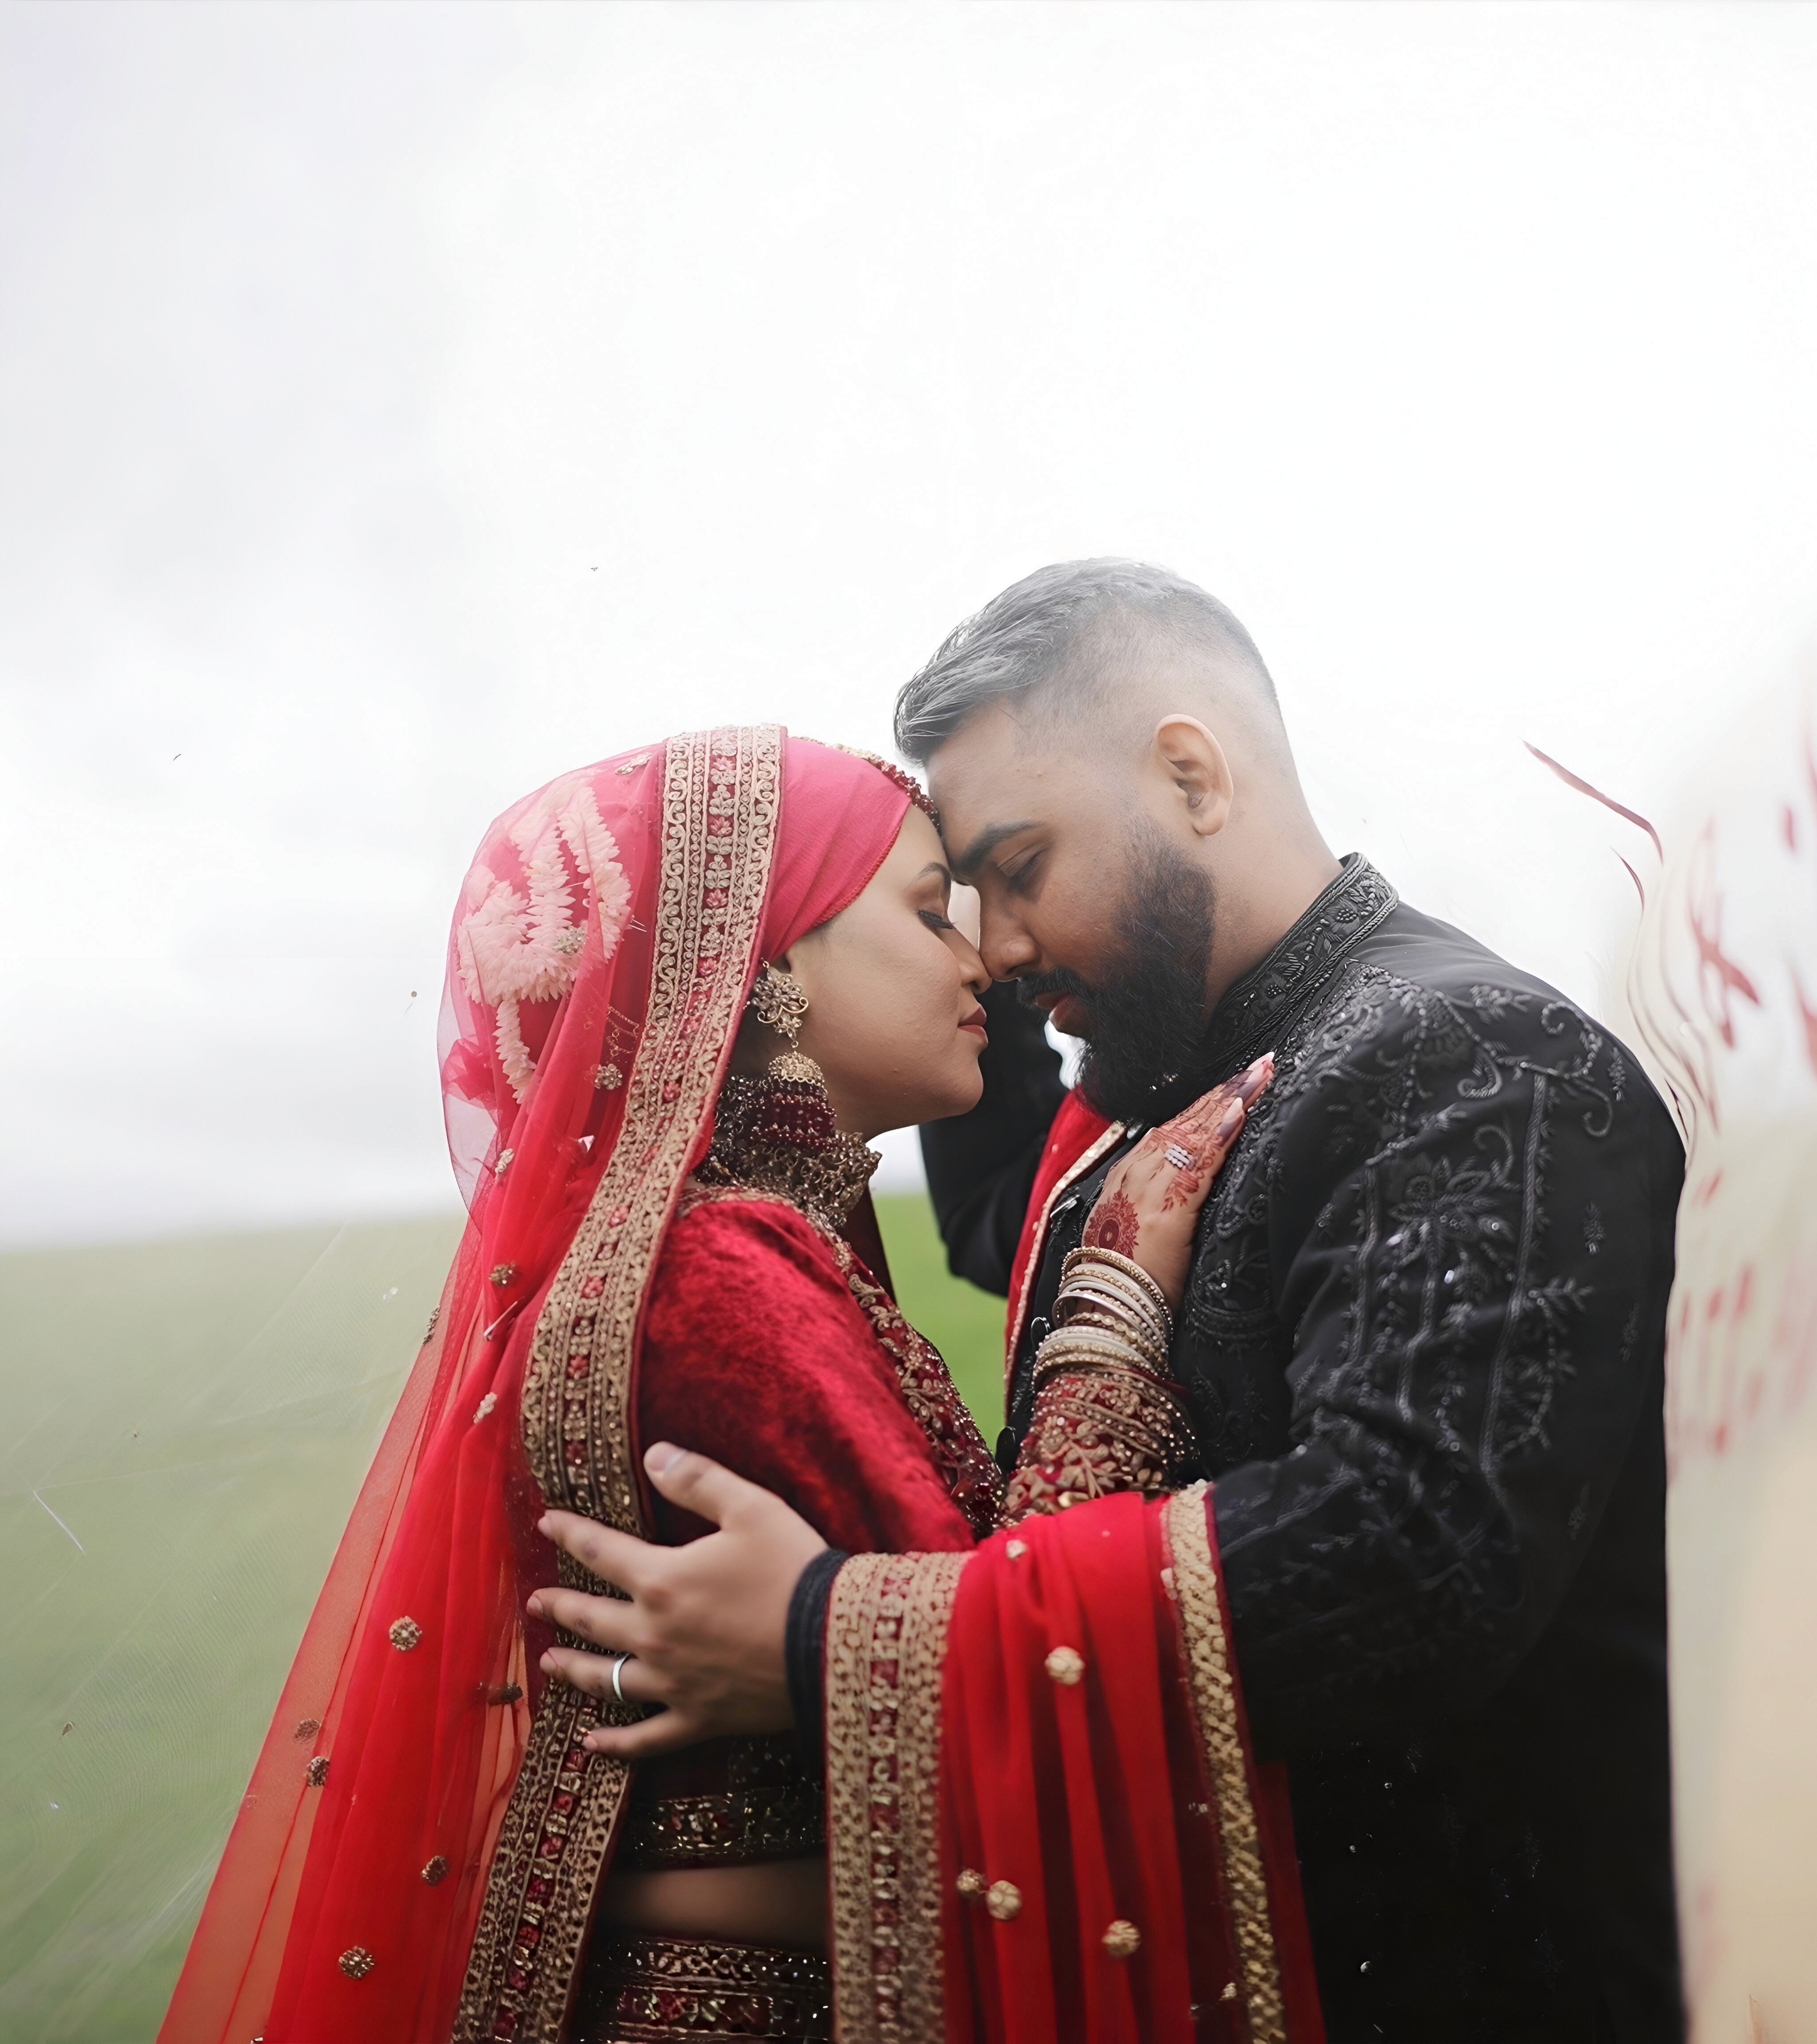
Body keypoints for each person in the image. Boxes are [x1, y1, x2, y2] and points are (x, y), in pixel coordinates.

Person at [532, 563, 1688, 2042]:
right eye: (964, 896)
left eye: (1020, 866)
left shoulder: (1464, 1059)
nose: (1001, 952)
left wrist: (828, 1634)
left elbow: (1407, 1554)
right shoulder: (1165, 1102)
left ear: (1192, 776)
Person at [157, 725, 1294, 2044]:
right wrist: (1115, 1303)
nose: (980, 957)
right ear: (764, 967)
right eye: (931, 913)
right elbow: (1013, 1667)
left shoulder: (697, 1250)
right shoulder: (717, 1278)